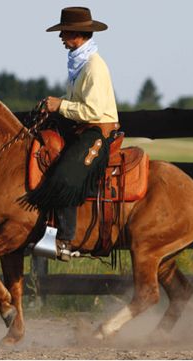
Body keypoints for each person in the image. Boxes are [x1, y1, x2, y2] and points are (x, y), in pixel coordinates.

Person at [24, 7, 119, 261]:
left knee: (66, 177)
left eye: (63, 32)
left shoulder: (94, 68)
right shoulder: (80, 64)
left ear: (77, 33)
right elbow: (78, 101)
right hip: (83, 126)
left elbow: (93, 110)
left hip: (97, 132)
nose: (60, 38)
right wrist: (57, 105)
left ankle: (65, 240)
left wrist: (60, 105)